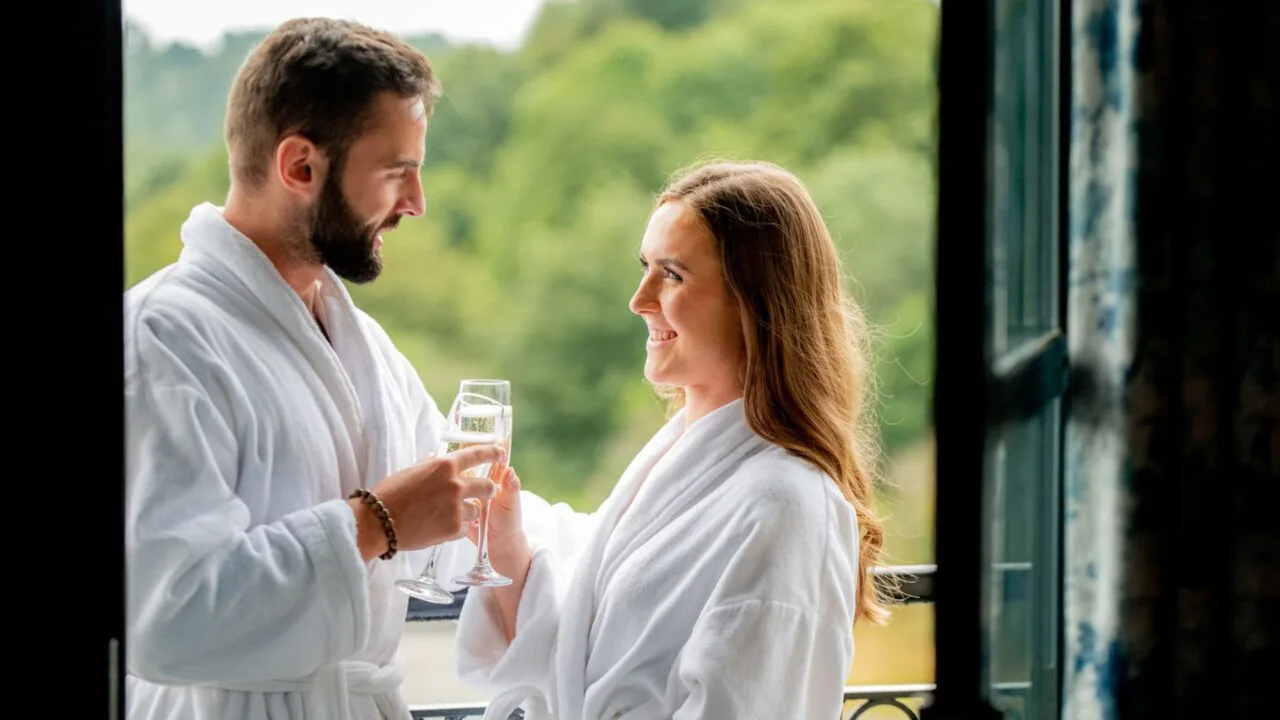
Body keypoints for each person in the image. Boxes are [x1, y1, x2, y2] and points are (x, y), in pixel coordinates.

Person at [124, 17, 504, 720]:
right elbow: (165, 616)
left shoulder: (364, 344)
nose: (417, 204)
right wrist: (375, 523)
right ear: (300, 166)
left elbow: (446, 529)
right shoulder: (162, 338)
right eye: (397, 173)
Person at [454, 160, 891, 719]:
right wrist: (506, 544)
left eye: (673, 274)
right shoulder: (675, 458)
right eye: (644, 268)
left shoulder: (785, 504)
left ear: (755, 303)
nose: (639, 299)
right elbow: (575, 668)